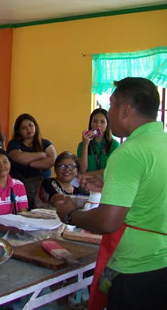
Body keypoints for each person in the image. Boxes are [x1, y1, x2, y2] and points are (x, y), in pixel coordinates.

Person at [54, 77, 166, 310]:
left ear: (125, 109)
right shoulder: (160, 143)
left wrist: (70, 215)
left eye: (112, 105)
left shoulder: (128, 153)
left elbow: (107, 221)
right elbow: (150, 187)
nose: (110, 112)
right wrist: (110, 180)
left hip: (135, 269)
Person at [7, 113, 56, 209]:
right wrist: (42, 155)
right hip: (20, 188)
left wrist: (29, 163)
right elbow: (19, 158)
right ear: (19, 131)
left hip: (41, 188)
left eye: (30, 125)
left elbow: (52, 160)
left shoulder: (45, 143)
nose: (28, 129)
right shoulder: (14, 144)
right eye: (24, 128)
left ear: (35, 126)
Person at [77, 108, 119, 175]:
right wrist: (85, 145)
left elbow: (112, 169)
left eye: (102, 122)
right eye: (95, 121)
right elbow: (82, 169)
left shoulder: (114, 145)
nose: (98, 125)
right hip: (86, 183)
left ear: (107, 124)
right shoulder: (82, 145)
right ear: (90, 123)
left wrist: (88, 174)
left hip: (105, 183)